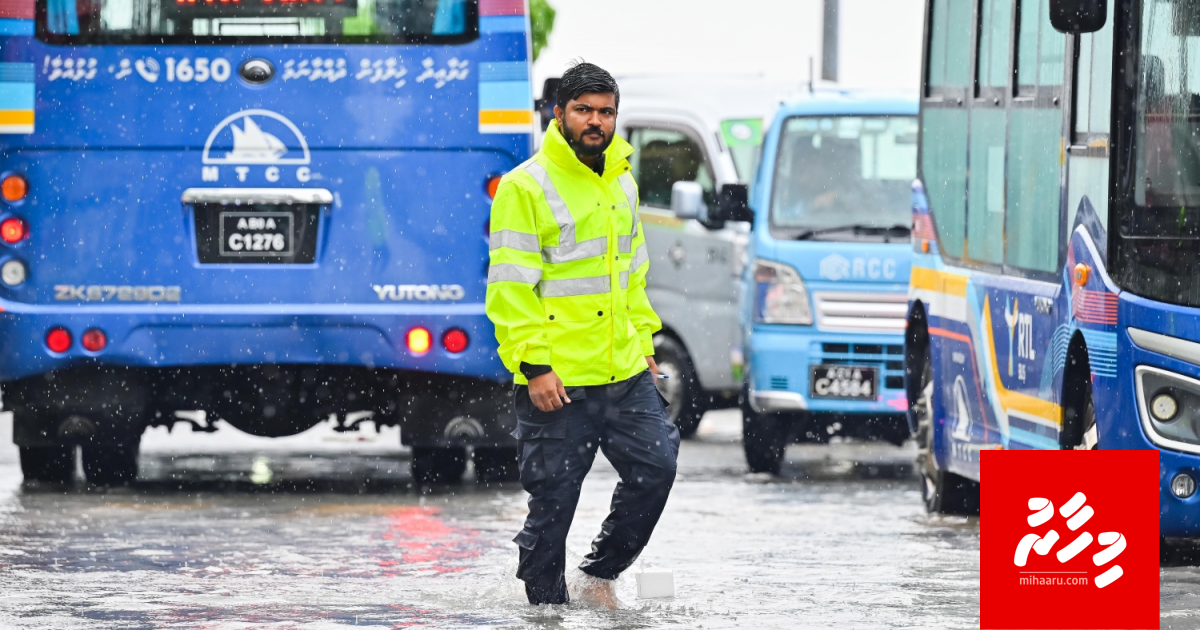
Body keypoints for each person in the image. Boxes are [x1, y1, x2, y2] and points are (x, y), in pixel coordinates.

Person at [484, 61, 680, 607]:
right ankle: (545, 611)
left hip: (623, 372)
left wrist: (644, 342)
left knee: (656, 467)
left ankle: (597, 576)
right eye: (584, 110)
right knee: (553, 505)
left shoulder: (622, 182)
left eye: (606, 111)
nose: (596, 121)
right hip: (559, 380)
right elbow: (510, 288)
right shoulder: (524, 187)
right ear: (558, 114)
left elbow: (632, 275)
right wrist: (535, 366)